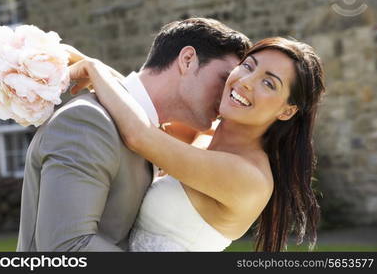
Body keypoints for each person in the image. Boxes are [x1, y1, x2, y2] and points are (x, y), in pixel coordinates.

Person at [68, 37, 326, 251]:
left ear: (287, 111)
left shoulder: (249, 177)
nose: (246, 81)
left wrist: (93, 70)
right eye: (248, 66)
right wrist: (83, 63)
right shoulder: (207, 133)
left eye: (268, 83)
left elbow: (140, 136)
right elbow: (143, 108)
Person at [16, 17, 251, 251]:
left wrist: (101, 73)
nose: (226, 100)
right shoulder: (88, 121)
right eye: (224, 80)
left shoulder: (149, 132)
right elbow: (67, 247)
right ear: (188, 60)